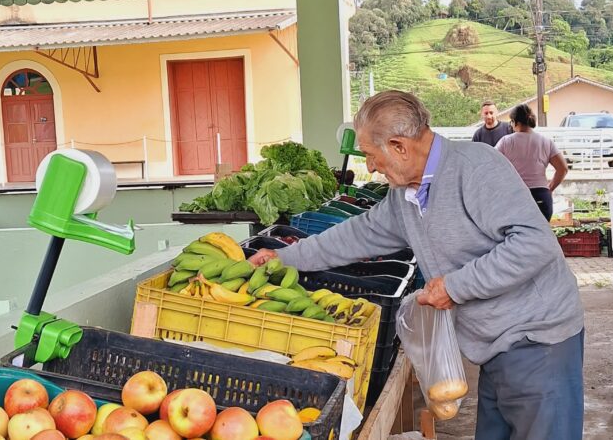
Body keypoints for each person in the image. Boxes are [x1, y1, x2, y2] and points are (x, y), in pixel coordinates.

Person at [250, 90, 585, 440]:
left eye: (370, 154)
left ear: (398, 146)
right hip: (495, 347)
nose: (370, 166)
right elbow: (359, 234)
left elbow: (534, 244)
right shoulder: (405, 196)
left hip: (539, 340)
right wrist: (284, 256)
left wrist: (455, 287)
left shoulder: (477, 168)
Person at [495, 104, 569, 221]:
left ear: (515, 122)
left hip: (515, 195)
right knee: (540, 237)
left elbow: (492, 165)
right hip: (541, 196)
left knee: (516, 237)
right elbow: (563, 169)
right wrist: (550, 188)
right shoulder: (546, 142)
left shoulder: (505, 142)